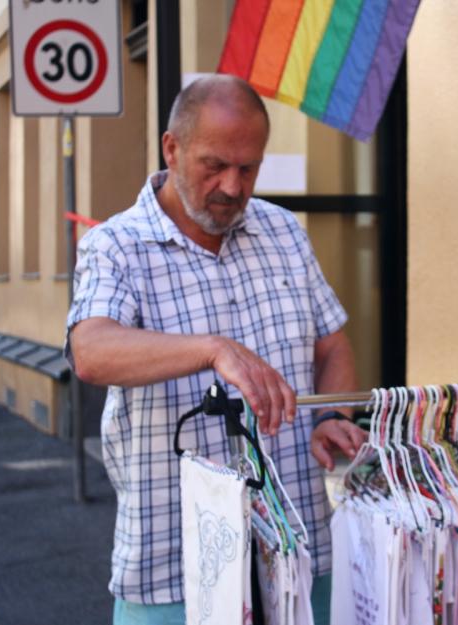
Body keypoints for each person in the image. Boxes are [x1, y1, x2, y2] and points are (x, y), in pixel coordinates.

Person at [66, 74, 367, 625]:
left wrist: (330, 414)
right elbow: (90, 350)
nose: (232, 185)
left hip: (298, 553)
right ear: (171, 148)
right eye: (215, 165)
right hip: (174, 565)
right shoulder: (116, 245)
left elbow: (332, 344)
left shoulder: (283, 231)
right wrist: (211, 349)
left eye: (248, 168)